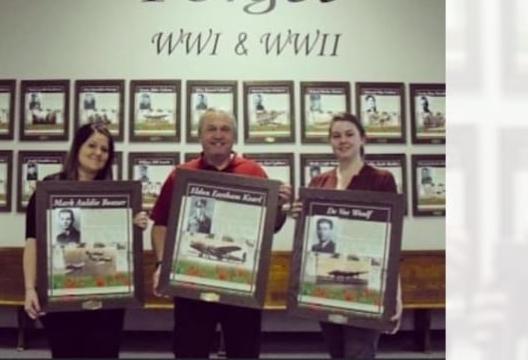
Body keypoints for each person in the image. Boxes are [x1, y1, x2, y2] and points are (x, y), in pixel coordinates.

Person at [150, 108, 293, 358]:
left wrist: (280, 206)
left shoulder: (254, 172)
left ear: (234, 136)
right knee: (189, 350)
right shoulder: (181, 175)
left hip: (241, 285)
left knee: (244, 351)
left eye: (225, 129)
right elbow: (161, 224)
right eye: (211, 128)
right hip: (191, 282)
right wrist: (162, 263)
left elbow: (272, 227)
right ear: (200, 135)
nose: (218, 135)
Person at [22, 123, 150, 358]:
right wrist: (30, 288)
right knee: (66, 352)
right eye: (92, 145)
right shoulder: (47, 190)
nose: (98, 153)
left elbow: (116, 243)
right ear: (77, 147)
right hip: (61, 294)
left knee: (105, 352)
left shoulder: (116, 194)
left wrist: (133, 224)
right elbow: (32, 243)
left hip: (106, 296)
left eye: (104, 149)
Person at [291, 112, 402, 359]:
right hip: (325, 280)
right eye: (336, 135)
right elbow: (312, 238)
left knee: (359, 353)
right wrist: (298, 215)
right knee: (337, 352)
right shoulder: (319, 181)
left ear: (363, 139)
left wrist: (396, 294)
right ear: (330, 141)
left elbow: (390, 240)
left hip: (367, 283)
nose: (343, 140)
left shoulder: (381, 180)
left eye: (349, 134)